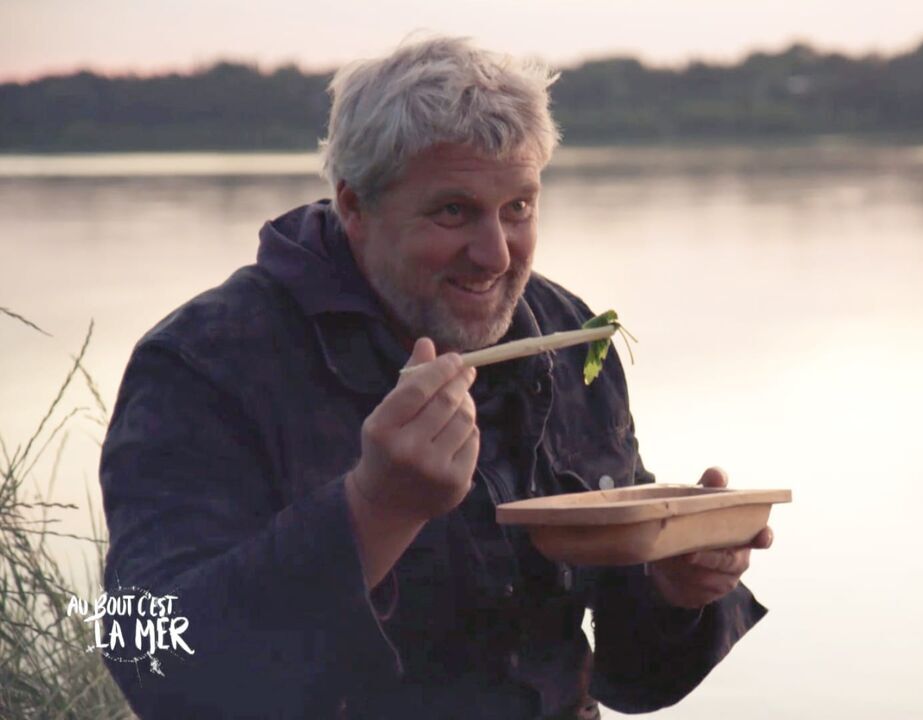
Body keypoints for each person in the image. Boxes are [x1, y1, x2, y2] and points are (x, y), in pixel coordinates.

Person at [98, 36, 771, 719]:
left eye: (519, 207)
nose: (495, 255)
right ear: (354, 207)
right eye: (453, 211)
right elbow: (155, 664)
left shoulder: (565, 333)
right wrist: (375, 508)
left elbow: (634, 678)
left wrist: (675, 586)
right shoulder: (205, 364)